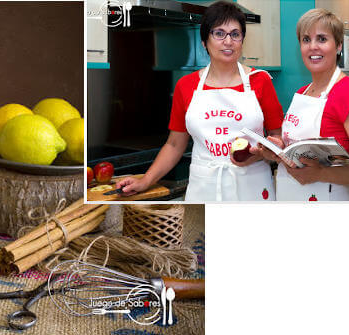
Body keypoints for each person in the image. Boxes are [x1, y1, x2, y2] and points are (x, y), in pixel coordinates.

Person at [115, 0, 283, 201]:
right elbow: (175, 145)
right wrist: (145, 181)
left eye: (235, 34)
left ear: (242, 41)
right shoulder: (186, 85)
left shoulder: (260, 80)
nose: (228, 41)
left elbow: (278, 139)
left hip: (253, 187)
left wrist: (261, 154)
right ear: (204, 42)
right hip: (204, 188)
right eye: (219, 33)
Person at [256, 8, 349, 201]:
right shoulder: (302, 92)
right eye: (306, 39)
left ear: (338, 45)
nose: (313, 46)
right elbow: (299, 150)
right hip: (289, 196)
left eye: (322, 39)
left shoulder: (348, 94)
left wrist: (320, 173)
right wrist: (279, 150)